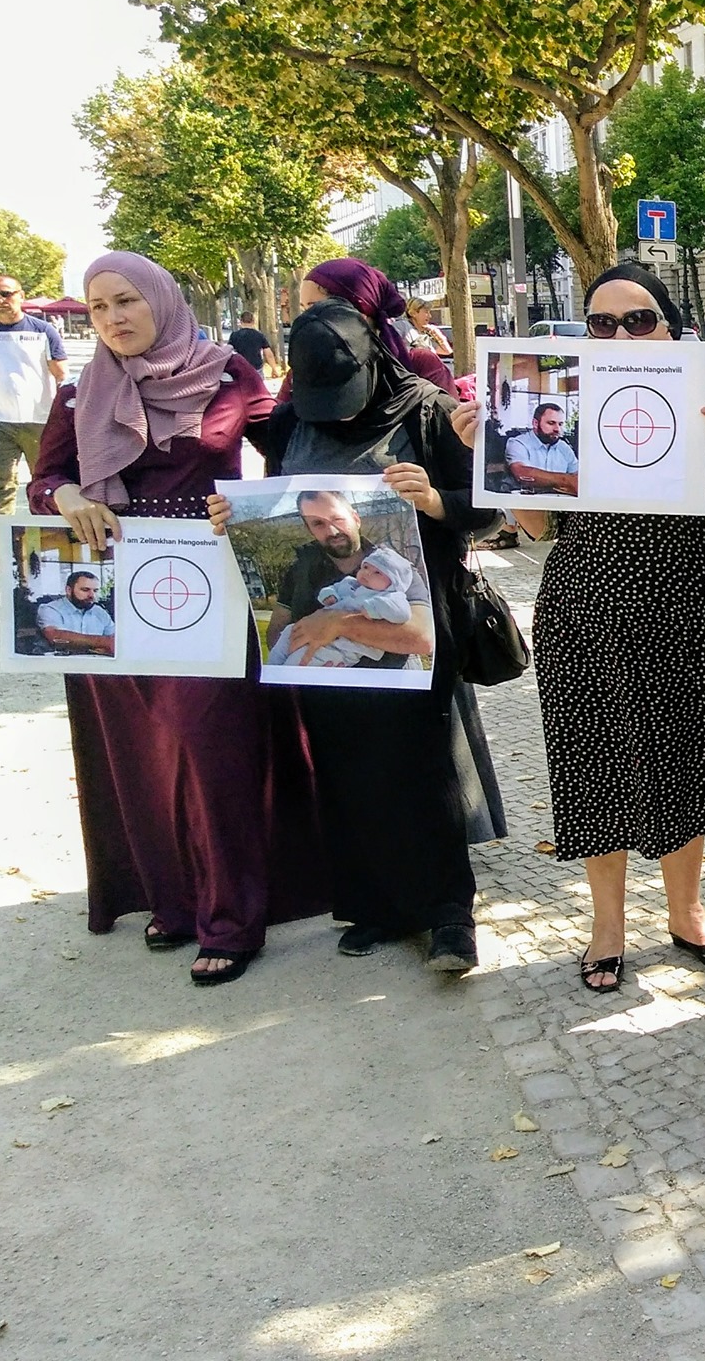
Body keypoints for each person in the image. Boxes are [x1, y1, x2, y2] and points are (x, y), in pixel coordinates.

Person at [452, 262, 705, 992]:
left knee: (685, 755)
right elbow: (533, 525)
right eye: (602, 323)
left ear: (672, 326)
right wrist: (489, 455)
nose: (621, 333)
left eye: (639, 319)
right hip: (586, 603)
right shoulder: (566, 394)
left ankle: (687, 916)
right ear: (583, 333)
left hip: (688, 598)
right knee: (594, 761)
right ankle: (608, 926)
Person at [29, 251, 324, 986]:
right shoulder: (79, 395)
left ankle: (232, 918)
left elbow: (290, 450)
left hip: (210, 590)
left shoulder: (228, 375)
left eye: (126, 300)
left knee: (212, 750)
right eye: (98, 307)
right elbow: (46, 478)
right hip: (115, 596)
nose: (114, 318)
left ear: (160, 299)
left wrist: (256, 504)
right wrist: (66, 500)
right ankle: (175, 899)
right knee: (144, 755)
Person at [215, 297, 504, 974]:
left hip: (412, 624)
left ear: (375, 359)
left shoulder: (426, 409)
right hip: (323, 636)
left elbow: (488, 512)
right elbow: (278, 506)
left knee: (425, 766)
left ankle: (446, 915)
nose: (337, 412)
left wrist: (434, 500)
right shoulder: (291, 423)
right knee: (344, 765)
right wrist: (239, 517)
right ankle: (373, 904)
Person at [0, 273, 68, 552]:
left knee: (45, 480)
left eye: (7, 293)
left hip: (39, 420)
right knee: (0, 481)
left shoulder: (43, 330)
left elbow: (62, 374)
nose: (1, 300)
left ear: (21, 295)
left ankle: (50, 534)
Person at [299, 257, 455, 393]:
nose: (306, 318)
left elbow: (449, 420)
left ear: (359, 312)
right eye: (303, 309)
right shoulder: (305, 368)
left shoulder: (421, 364)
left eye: (315, 307)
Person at [269, 537, 424, 669]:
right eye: (366, 567)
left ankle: (284, 677)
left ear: (393, 582)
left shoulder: (391, 596)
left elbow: (401, 613)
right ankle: (271, 668)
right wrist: (329, 596)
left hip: (343, 647)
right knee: (288, 633)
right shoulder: (350, 583)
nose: (367, 573)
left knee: (301, 660)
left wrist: (373, 609)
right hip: (316, 632)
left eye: (377, 572)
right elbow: (331, 589)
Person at [36, 570, 117, 654]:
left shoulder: (100, 612)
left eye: (95, 591)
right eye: (85, 590)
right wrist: (103, 642)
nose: (92, 596)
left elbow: (115, 640)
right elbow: (55, 636)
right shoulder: (50, 609)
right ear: (68, 590)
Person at [505, 402, 579, 492]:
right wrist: (566, 480)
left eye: (560, 424)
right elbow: (522, 473)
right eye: (551, 423)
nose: (557, 429)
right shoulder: (518, 443)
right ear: (535, 423)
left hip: (559, 503)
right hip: (527, 503)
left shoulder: (564, 447)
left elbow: (578, 477)